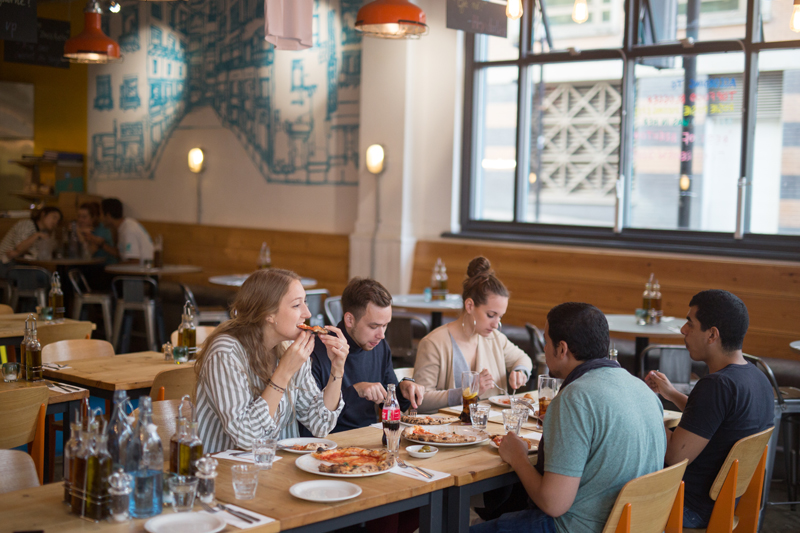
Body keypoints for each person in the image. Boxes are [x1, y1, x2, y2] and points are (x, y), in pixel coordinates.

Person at [473, 302, 666, 533]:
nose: (544, 350)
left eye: (546, 342)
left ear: (562, 349)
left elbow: (553, 504)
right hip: (641, 527)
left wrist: (518, 458)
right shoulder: (641, 388)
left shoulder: (574, 399)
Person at [645, 290, 774, 529]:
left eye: (690, 323)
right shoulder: (756, 377)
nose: (683, 330)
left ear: (712, 334)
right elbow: (715, 420)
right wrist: (671, 394)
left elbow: (674, 455)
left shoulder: (717, 386)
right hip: (725, 503)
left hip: (688, 508)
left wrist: (644, 408)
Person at [194, 268, 348, 452]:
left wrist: (337, 369)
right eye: (296, 305)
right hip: (224, 471)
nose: (307, 313)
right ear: (269, 314)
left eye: (305, 303)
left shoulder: (289, 347)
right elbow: (247, 438)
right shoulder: (226, 353)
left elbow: (320, 424)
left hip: (277, 466)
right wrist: (283, 373)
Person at [305, 277, 425, 434]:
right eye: (374, 326)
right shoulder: (315, 349)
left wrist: (403, 390)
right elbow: (311, 418)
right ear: (349, 319)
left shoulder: (379, 346)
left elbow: (392, 405)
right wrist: (356, 391)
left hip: (367, 439)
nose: (381, 335)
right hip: (327, 442)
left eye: (385, 325)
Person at [413, 257, 532, 413]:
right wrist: (468, 392)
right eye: (491, 315)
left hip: (489, 428)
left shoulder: (494, 338)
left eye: (500, 317)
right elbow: (421, 400)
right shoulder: (433, 343)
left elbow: (523, 359)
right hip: (442, 432)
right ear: (469, 306)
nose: (496, 324)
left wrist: (520, 371)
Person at [0, 206, 62, 277]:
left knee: (50, 276)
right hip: (4, 262)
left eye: (58, 221)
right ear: (43, 214)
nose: (55, 222)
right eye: (54, 217)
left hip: (19, 264)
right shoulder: (27, 224)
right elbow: (19, 248)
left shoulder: (45, 233)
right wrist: (36, 235)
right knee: (44, 277)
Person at [100, 198, 154, 264]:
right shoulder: (125, 226)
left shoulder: (128, 230)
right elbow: (120, 253)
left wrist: (113, 266)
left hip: (141, 273)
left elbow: (134, 262)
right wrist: (101, 244)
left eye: (101, 214)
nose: (100, 218)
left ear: (108, 215)